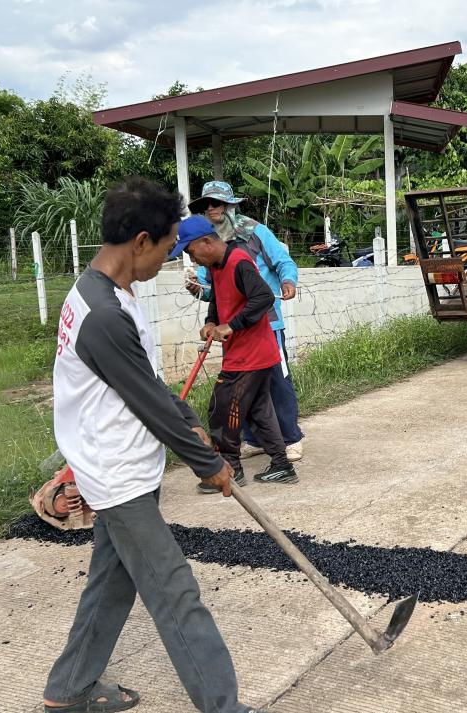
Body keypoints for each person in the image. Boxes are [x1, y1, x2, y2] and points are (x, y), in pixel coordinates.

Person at [44, 177, 261, 713]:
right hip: (116, 475)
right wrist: (207, 462)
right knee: (176, 594)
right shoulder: (103, 317)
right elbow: (147, 400)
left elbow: (146, 385)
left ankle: (69, 689)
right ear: (140, 241)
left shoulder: (102, 291)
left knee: (111, 585)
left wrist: (190, 425)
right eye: (166, 250)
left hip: (122, 464)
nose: (167, 261)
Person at [173, 215, 298, 493]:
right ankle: (282, 465)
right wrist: (210, 321)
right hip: (245, 353)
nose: (193, 260)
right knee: (258, 411)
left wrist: (232, 326)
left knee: (223, 406)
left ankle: (231, 467)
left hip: (251, 354)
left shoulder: (238, 261)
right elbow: (218, 299)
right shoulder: (217, 267)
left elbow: (263, 297)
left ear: (206, 241)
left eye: (191, 252)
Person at [185, 181, 304, 462]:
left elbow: (283, 262)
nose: (211, 208)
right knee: (243, 388)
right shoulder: (206, 242)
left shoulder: (255, 233)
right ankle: (254, 439)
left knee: (277, 381)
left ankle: (290, 438)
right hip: (233, 329)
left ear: (230, 205)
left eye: (217, 203)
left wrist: (288, 280)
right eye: (205, 205)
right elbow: (213, 291)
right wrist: (201, 293)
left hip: (265, 322)